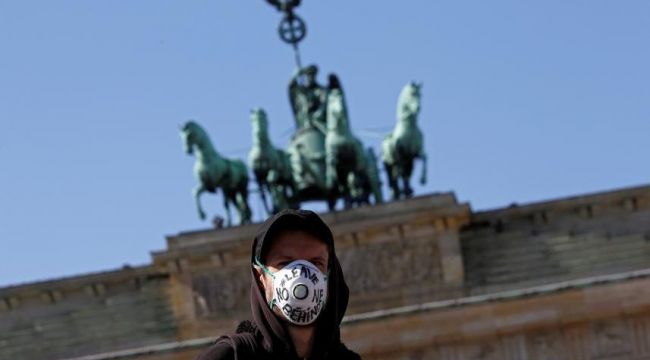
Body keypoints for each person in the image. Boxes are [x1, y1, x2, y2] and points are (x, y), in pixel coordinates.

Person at [197, 209, 361, 360]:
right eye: (285, 263)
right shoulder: (229, 356)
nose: (301, 276)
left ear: (330, 276)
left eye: (315, 263)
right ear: (261, 278)